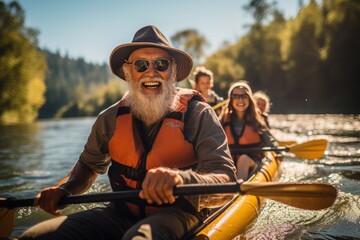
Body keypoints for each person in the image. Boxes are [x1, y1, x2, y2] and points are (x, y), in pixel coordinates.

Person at [19, 25, 236, 240]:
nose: (151, 72)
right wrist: (65, 188)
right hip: (120, 213)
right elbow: (87, 167)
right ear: (127, 73)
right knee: (35, 236)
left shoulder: (198, 114)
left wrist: (183, 180)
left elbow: (226, 183)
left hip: (179, 213)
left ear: (174, 72)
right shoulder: (109, 118)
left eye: (161, 64)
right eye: (140, 65)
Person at [219, 81, 278, 180]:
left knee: (243, 159)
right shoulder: (223, 120)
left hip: (252, 161)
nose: (240, 100)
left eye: (244, 96)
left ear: (249, 99)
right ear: (231, 99)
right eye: (236, 96)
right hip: (231, 162)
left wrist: (276, 150)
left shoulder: (257, 119)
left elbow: (270, 141)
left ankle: (238, 192)